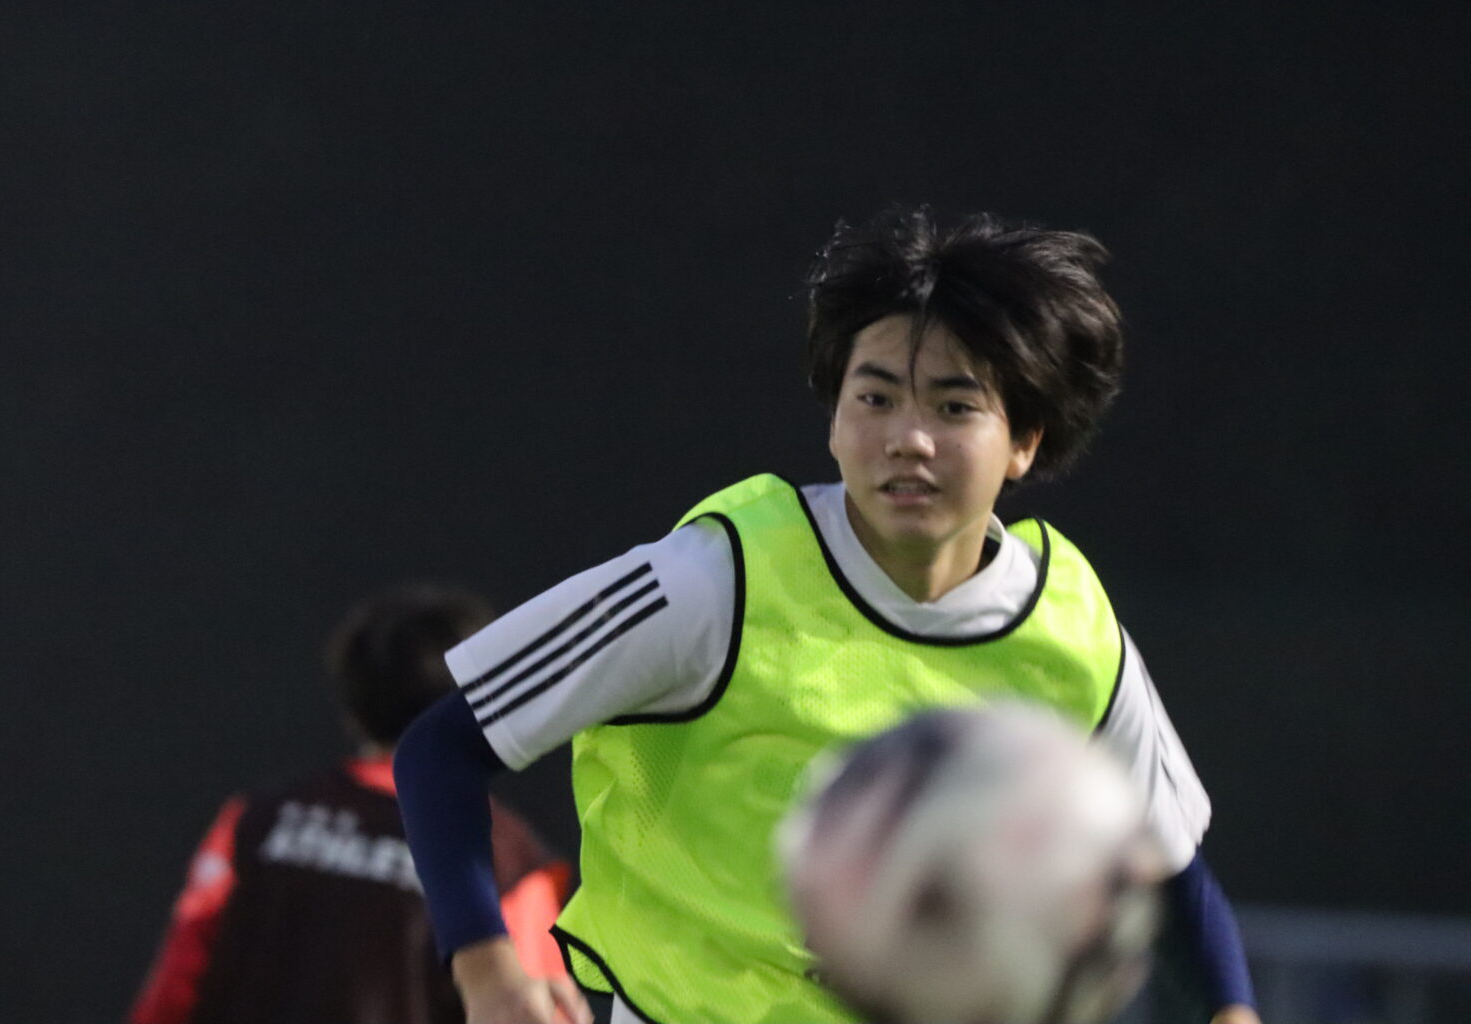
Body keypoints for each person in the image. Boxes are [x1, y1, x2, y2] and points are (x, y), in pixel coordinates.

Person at [393, 208, 1262, 1024]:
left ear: (1025, 441)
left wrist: (1233, 1011)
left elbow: (1169, 869)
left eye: (954, 406)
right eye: (876, 398)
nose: (908, 438)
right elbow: (441, 750)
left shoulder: (1072, 634)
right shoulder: (716, 580)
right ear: (835, 420)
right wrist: (487, 970)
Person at [129, 584, 572, 1024]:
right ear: (482, 701)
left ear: (353, 705)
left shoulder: (255, 822)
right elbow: (536, 1009)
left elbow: (177, 983)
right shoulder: (507, 857)